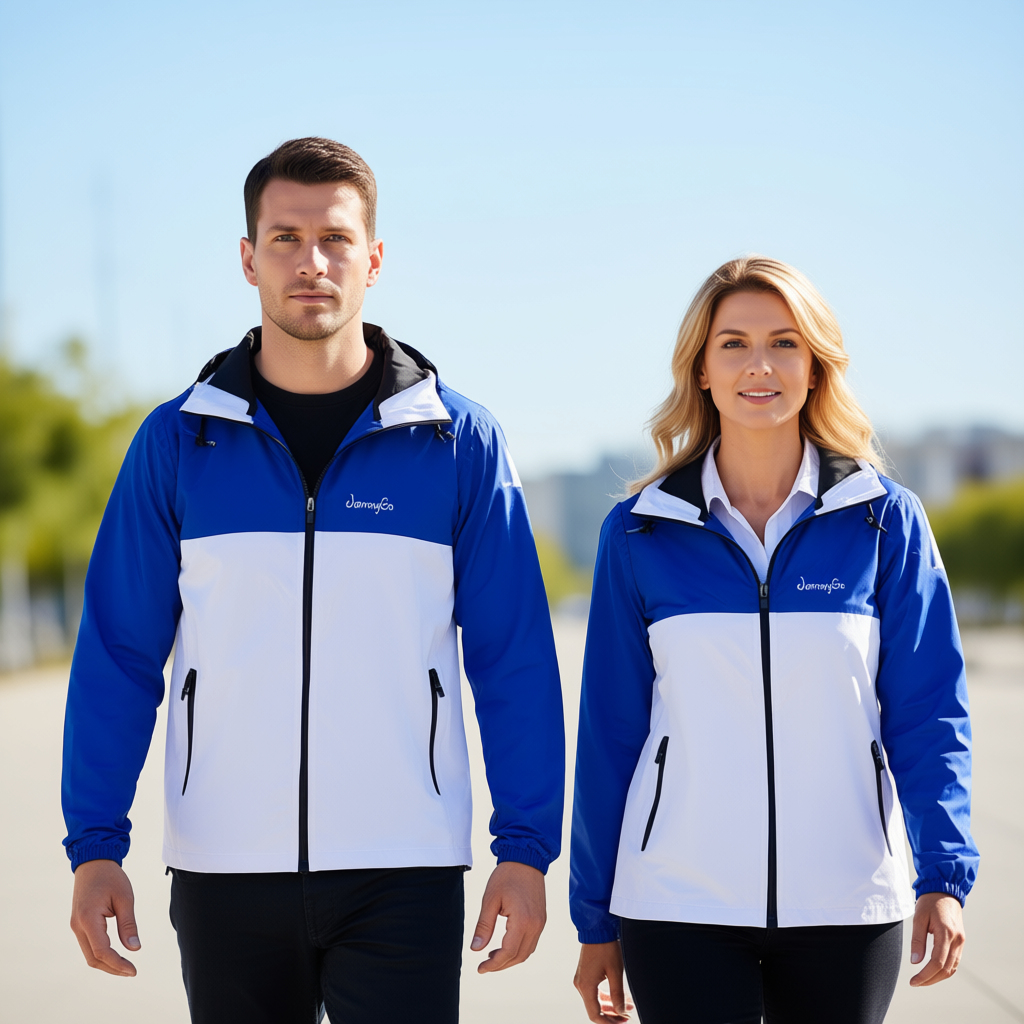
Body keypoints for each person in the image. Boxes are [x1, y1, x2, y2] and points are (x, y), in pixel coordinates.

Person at [62, 137, 565, 1024]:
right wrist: (95, 844)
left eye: (335, 238)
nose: (311, 263)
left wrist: (524, 848)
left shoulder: (458, 442)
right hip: (224, 864)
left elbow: (512, 659)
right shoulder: (178, 441)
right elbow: (118, 653)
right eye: (285, 238)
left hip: (404, 864)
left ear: (374, 258)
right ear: (248, 257)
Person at [570, 256, 978, 1024]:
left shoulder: (883, 521)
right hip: (676, 903)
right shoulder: (639, 532)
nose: (759, 364)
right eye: (734, 344)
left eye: (785, 343)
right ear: (701, 369)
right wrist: (594, 917)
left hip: (847, 902)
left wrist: (943, 876)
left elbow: (929, 714)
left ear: (815, 366)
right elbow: (610, 734)